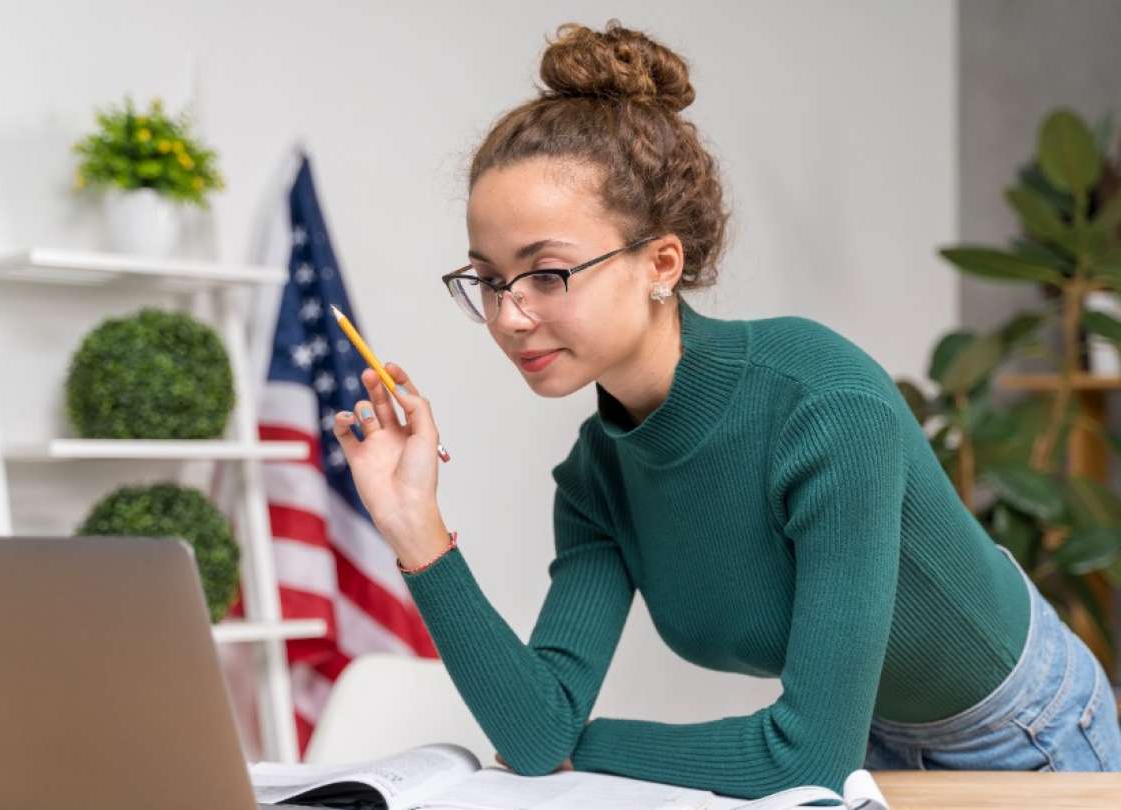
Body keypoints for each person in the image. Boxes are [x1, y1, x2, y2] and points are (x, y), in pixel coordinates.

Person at [331, 19, 1121, 798]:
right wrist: (415, 527)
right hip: (872, 739)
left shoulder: (823, 404)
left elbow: (804, 756)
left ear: (661, 263)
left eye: (548, 274)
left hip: (1023, 734)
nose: (509, 315)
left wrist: (586, 747)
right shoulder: (596, 476)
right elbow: (538, 733)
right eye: (491, 280)